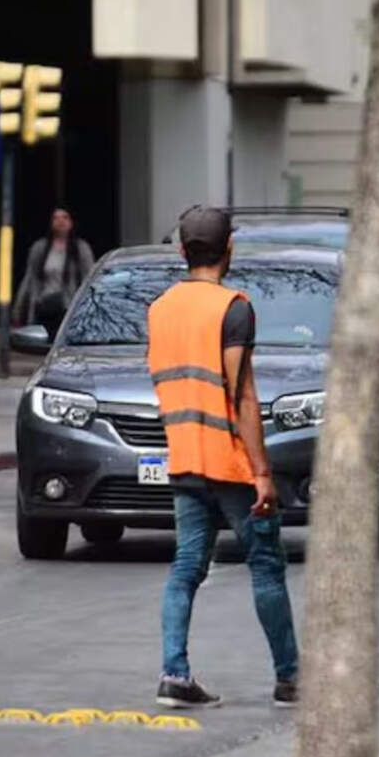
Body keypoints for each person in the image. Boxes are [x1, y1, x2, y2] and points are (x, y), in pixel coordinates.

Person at [146, 206, 298, 709]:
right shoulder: (233, 308)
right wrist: (261, 473)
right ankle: (290, 679)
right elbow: (243, 397)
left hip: (184, 457)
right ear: (228, 249)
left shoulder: (159, 309)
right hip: (230, 463)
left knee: (186, 566)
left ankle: (174, 674)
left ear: (182, 251)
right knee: (266, 563)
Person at [13, 208, 94, 340]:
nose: (60, 221)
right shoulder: (40, 248)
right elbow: (29, 279)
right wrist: (18, 310)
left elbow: (90, 279)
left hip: (69, 309)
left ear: (71, 223)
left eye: (65, 217)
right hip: (44, 307)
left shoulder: (81, 248)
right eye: (56, 218)